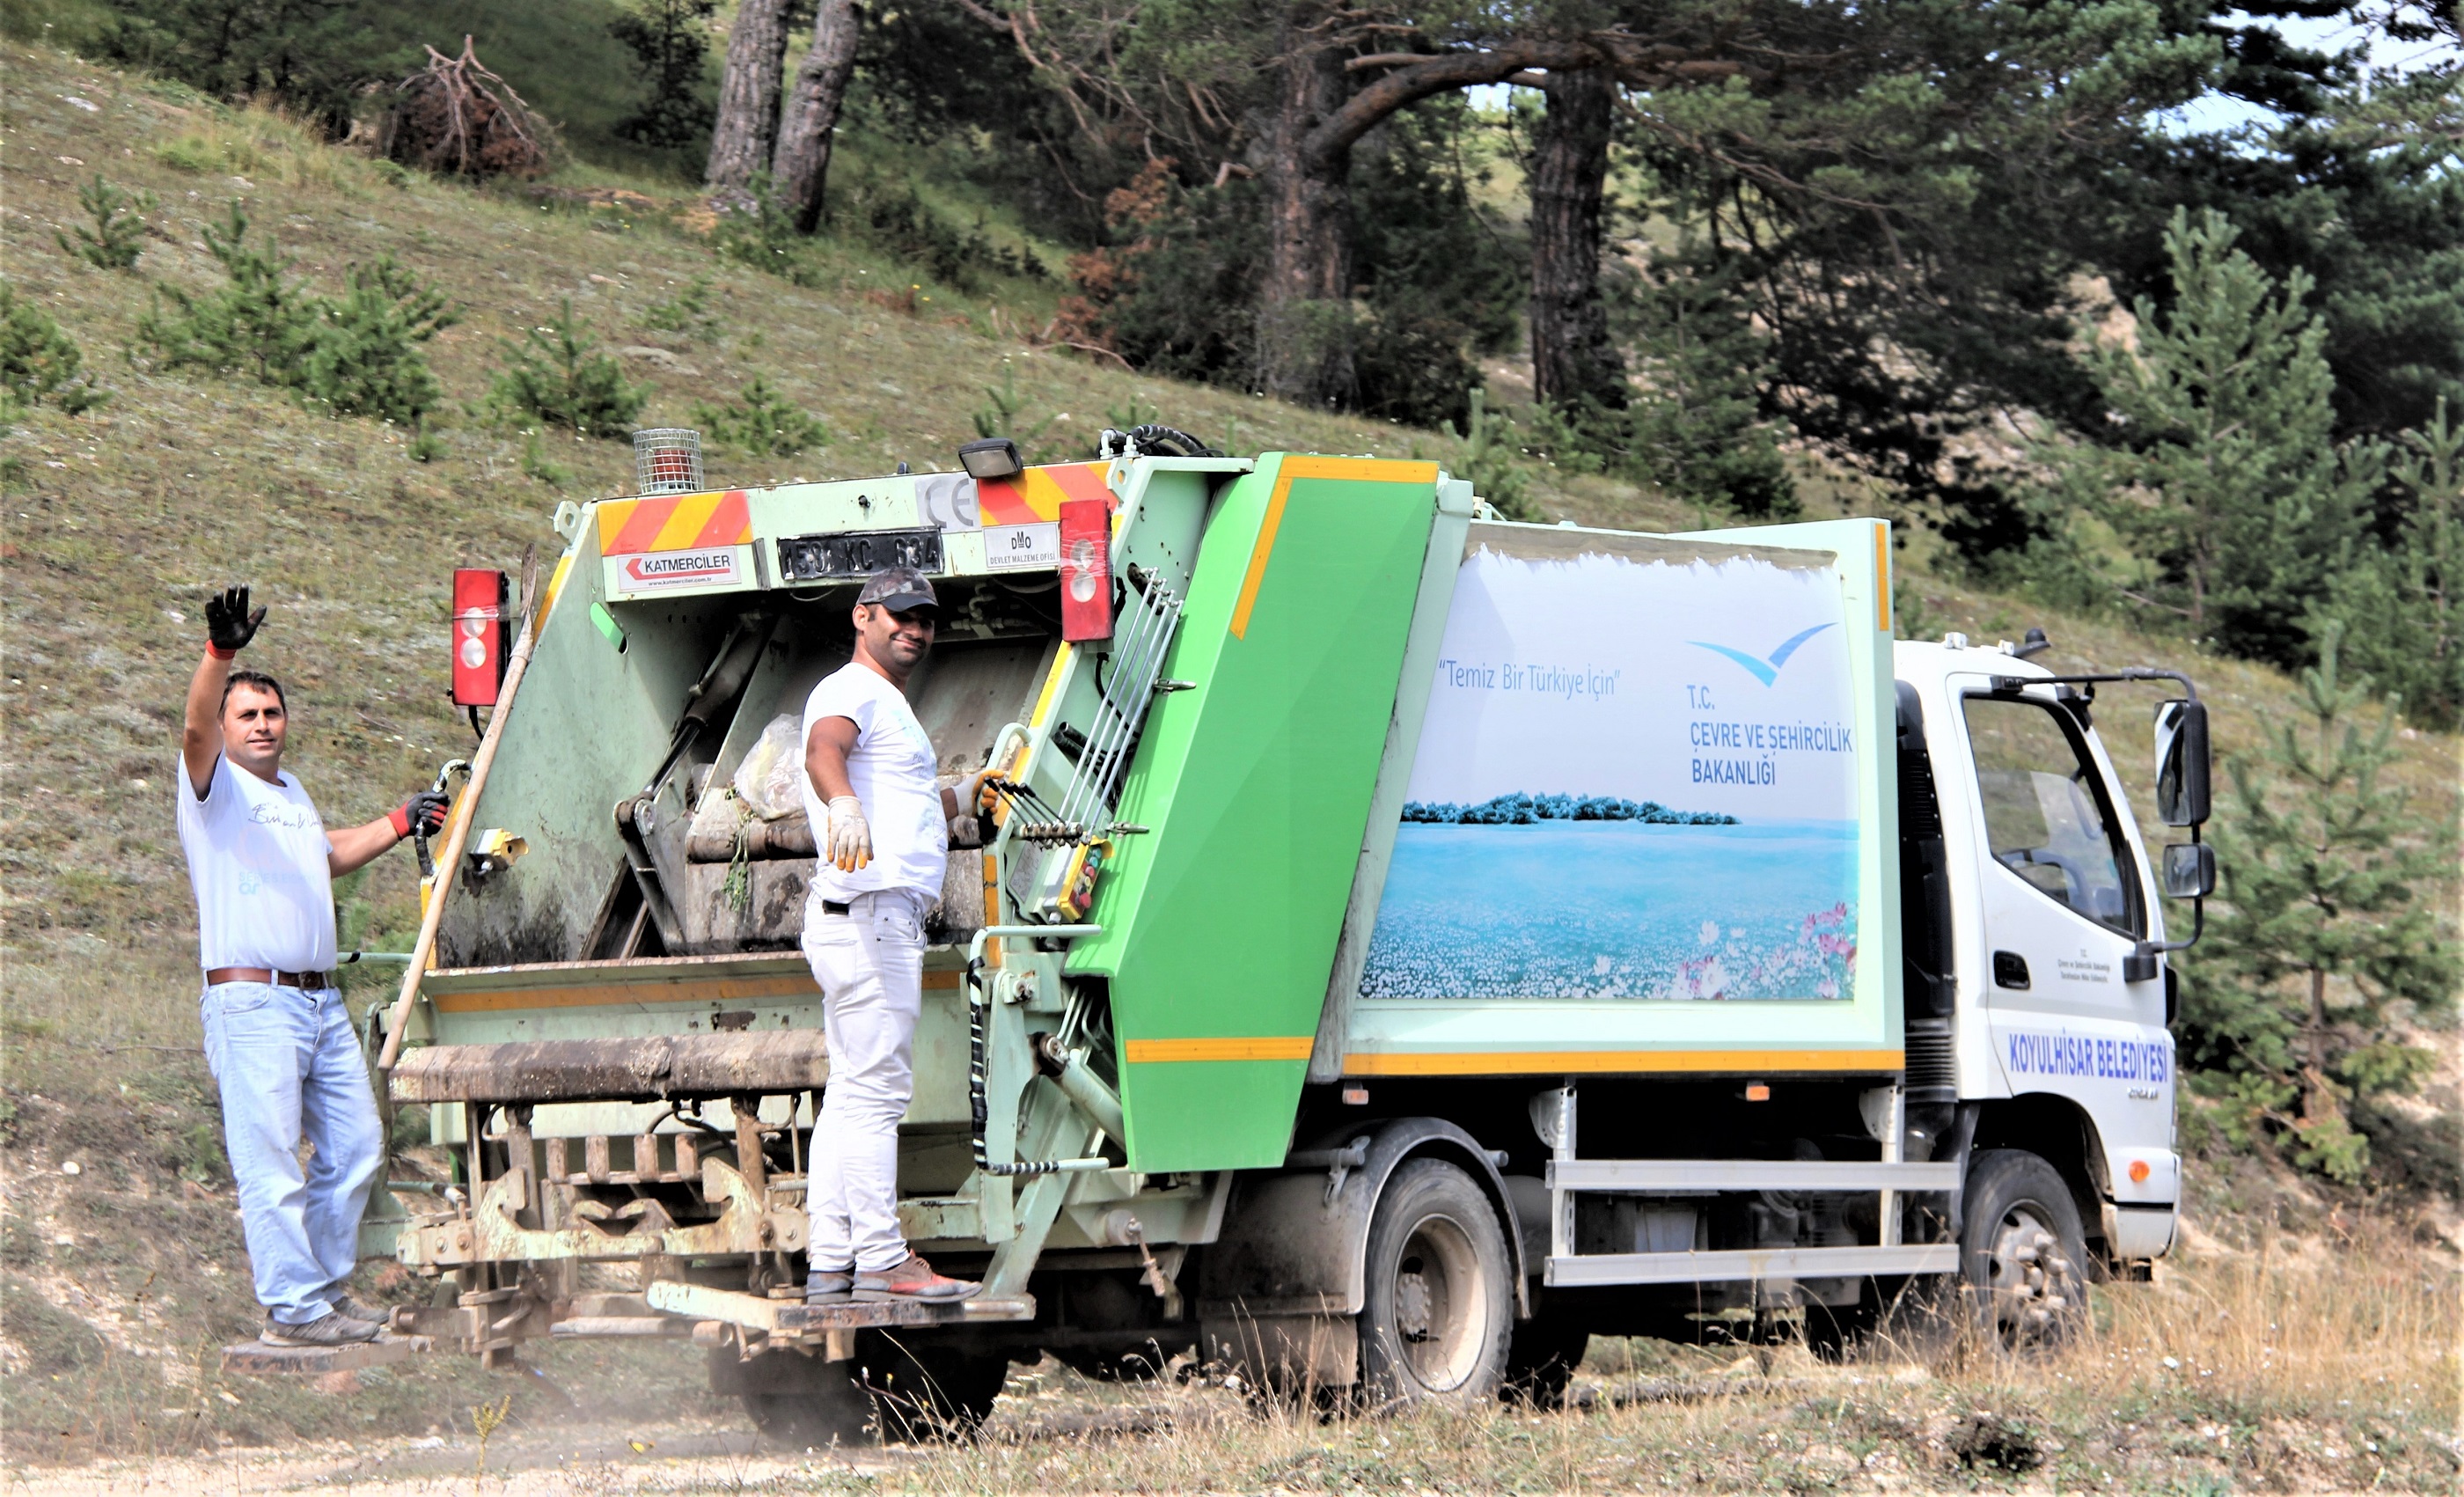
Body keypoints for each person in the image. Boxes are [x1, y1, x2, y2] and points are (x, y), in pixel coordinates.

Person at [178, 584, 451, 1347]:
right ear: (228, 729)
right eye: (248, 715)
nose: (262, 724)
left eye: (271, 712)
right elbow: (196, 725)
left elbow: (324, 855)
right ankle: (294, 1310)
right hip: (254, 1003)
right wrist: (219, 655)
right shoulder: (212, 788)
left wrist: (399, 822)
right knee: (271, 1162)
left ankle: (323, 1292)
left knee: (359, 1145)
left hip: (319, 1005)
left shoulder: (289, 792)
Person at [800, 566, 986, 1303]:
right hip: (873, 916)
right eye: (899, 615)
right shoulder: (851, 690)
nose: (914, 627)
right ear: (862, 616)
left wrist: (960, 797)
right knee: (877, 1093)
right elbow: (823, 751)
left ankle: (830, 1260)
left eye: (926, 618)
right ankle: (880, 1259)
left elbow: (901, 802)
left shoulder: (889, 705)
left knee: (851, 1092)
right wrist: (842, 804)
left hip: (864, 915)